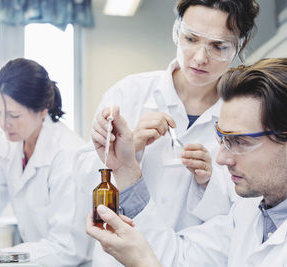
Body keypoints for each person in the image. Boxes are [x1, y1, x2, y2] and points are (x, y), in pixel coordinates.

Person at [87, 58, 287, 266]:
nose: (221, 158)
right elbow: (178, 257)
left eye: (241, 142)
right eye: (222, 139)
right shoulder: (251, 210)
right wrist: (125, 168)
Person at [78, 0, 259, 265]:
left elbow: (248, 209)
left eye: (218, 46)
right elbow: (83, 185)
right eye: (190, 38)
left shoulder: (245, 113)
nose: (199, 57)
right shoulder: (129, 94)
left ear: (239, 45)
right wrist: (129, 151)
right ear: (177, 31)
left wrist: (210, 180)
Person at [0, 58, 91, 266]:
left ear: (42, 110)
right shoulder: (8, 146)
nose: (3, 124)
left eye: (13, 115)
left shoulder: (68, 154)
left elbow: (67, 249)